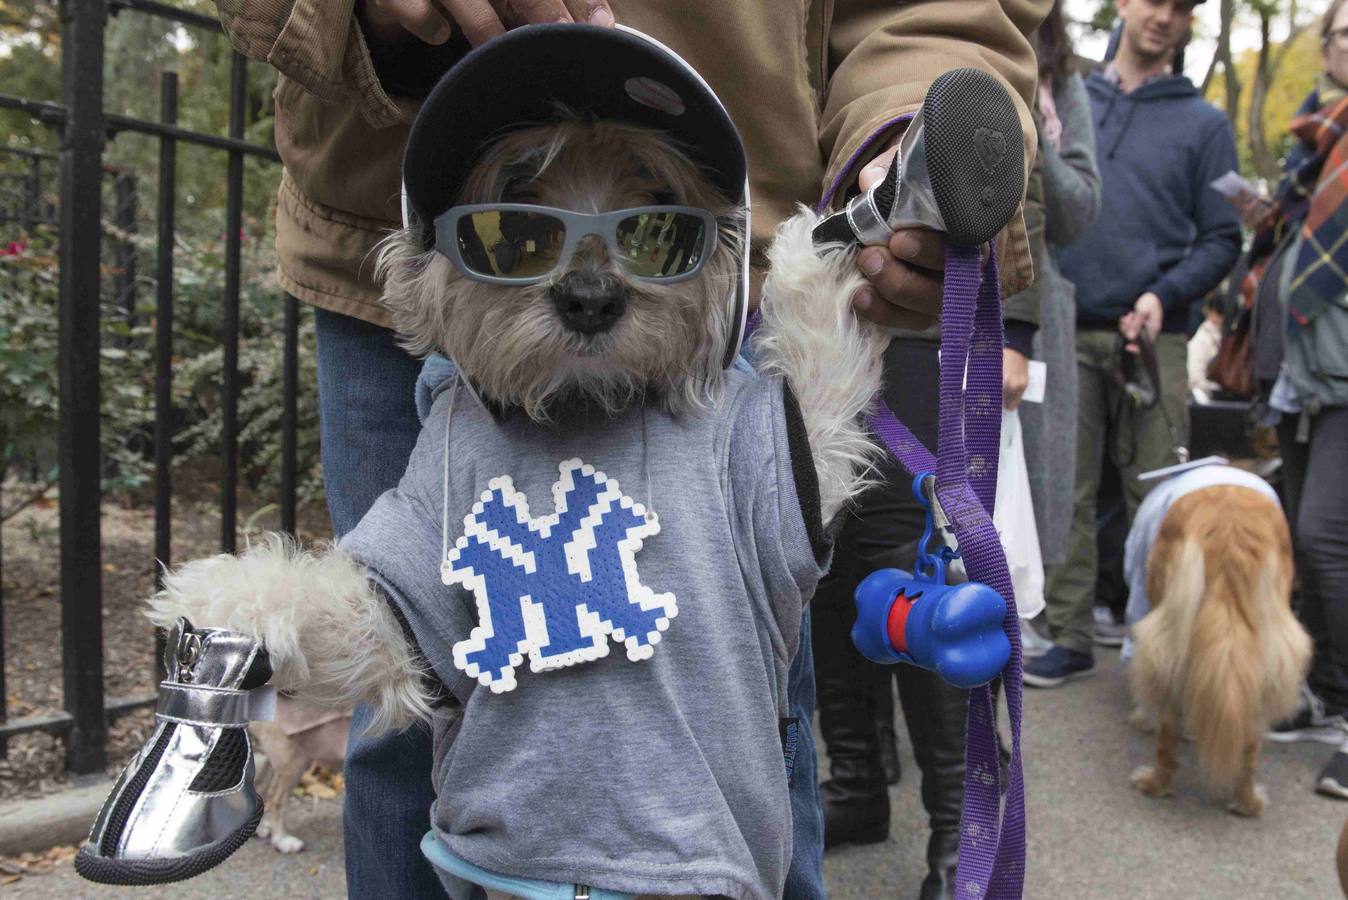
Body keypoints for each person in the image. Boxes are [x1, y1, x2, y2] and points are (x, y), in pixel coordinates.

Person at [213, 1, 1048, 896]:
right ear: (428, 261)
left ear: (704, 248)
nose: (588, 283)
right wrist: (268, 613)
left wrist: (888, 175)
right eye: (516, 227)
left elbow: (929, 13)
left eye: (654, 227)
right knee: (401, 741)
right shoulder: (452, 454)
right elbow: (380, 622)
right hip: (501, 864)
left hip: (706, 865)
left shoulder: (734, 441)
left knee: (770, 702)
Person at [1024, 0, 1241, 687]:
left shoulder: (1205, 124)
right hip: (1066, 328)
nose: (1165, 16)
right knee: (1067, 491)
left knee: (1162, 500)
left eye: (1183, 7)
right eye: (1154, 0)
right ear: (1123, 3)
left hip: (1155, 335)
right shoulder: (1073, 98)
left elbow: (1223, 238)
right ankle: (1069, 633)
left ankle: (1167, 647)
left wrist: (1162, 296)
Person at [1240, 0, 1348, 802]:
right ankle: (1325, 696)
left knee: (1321, 537)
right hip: (1309, 374)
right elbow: (1294, 246)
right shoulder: (1315, 139)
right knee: (1307, 543)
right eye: (1345, 31)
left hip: (1342, 375)